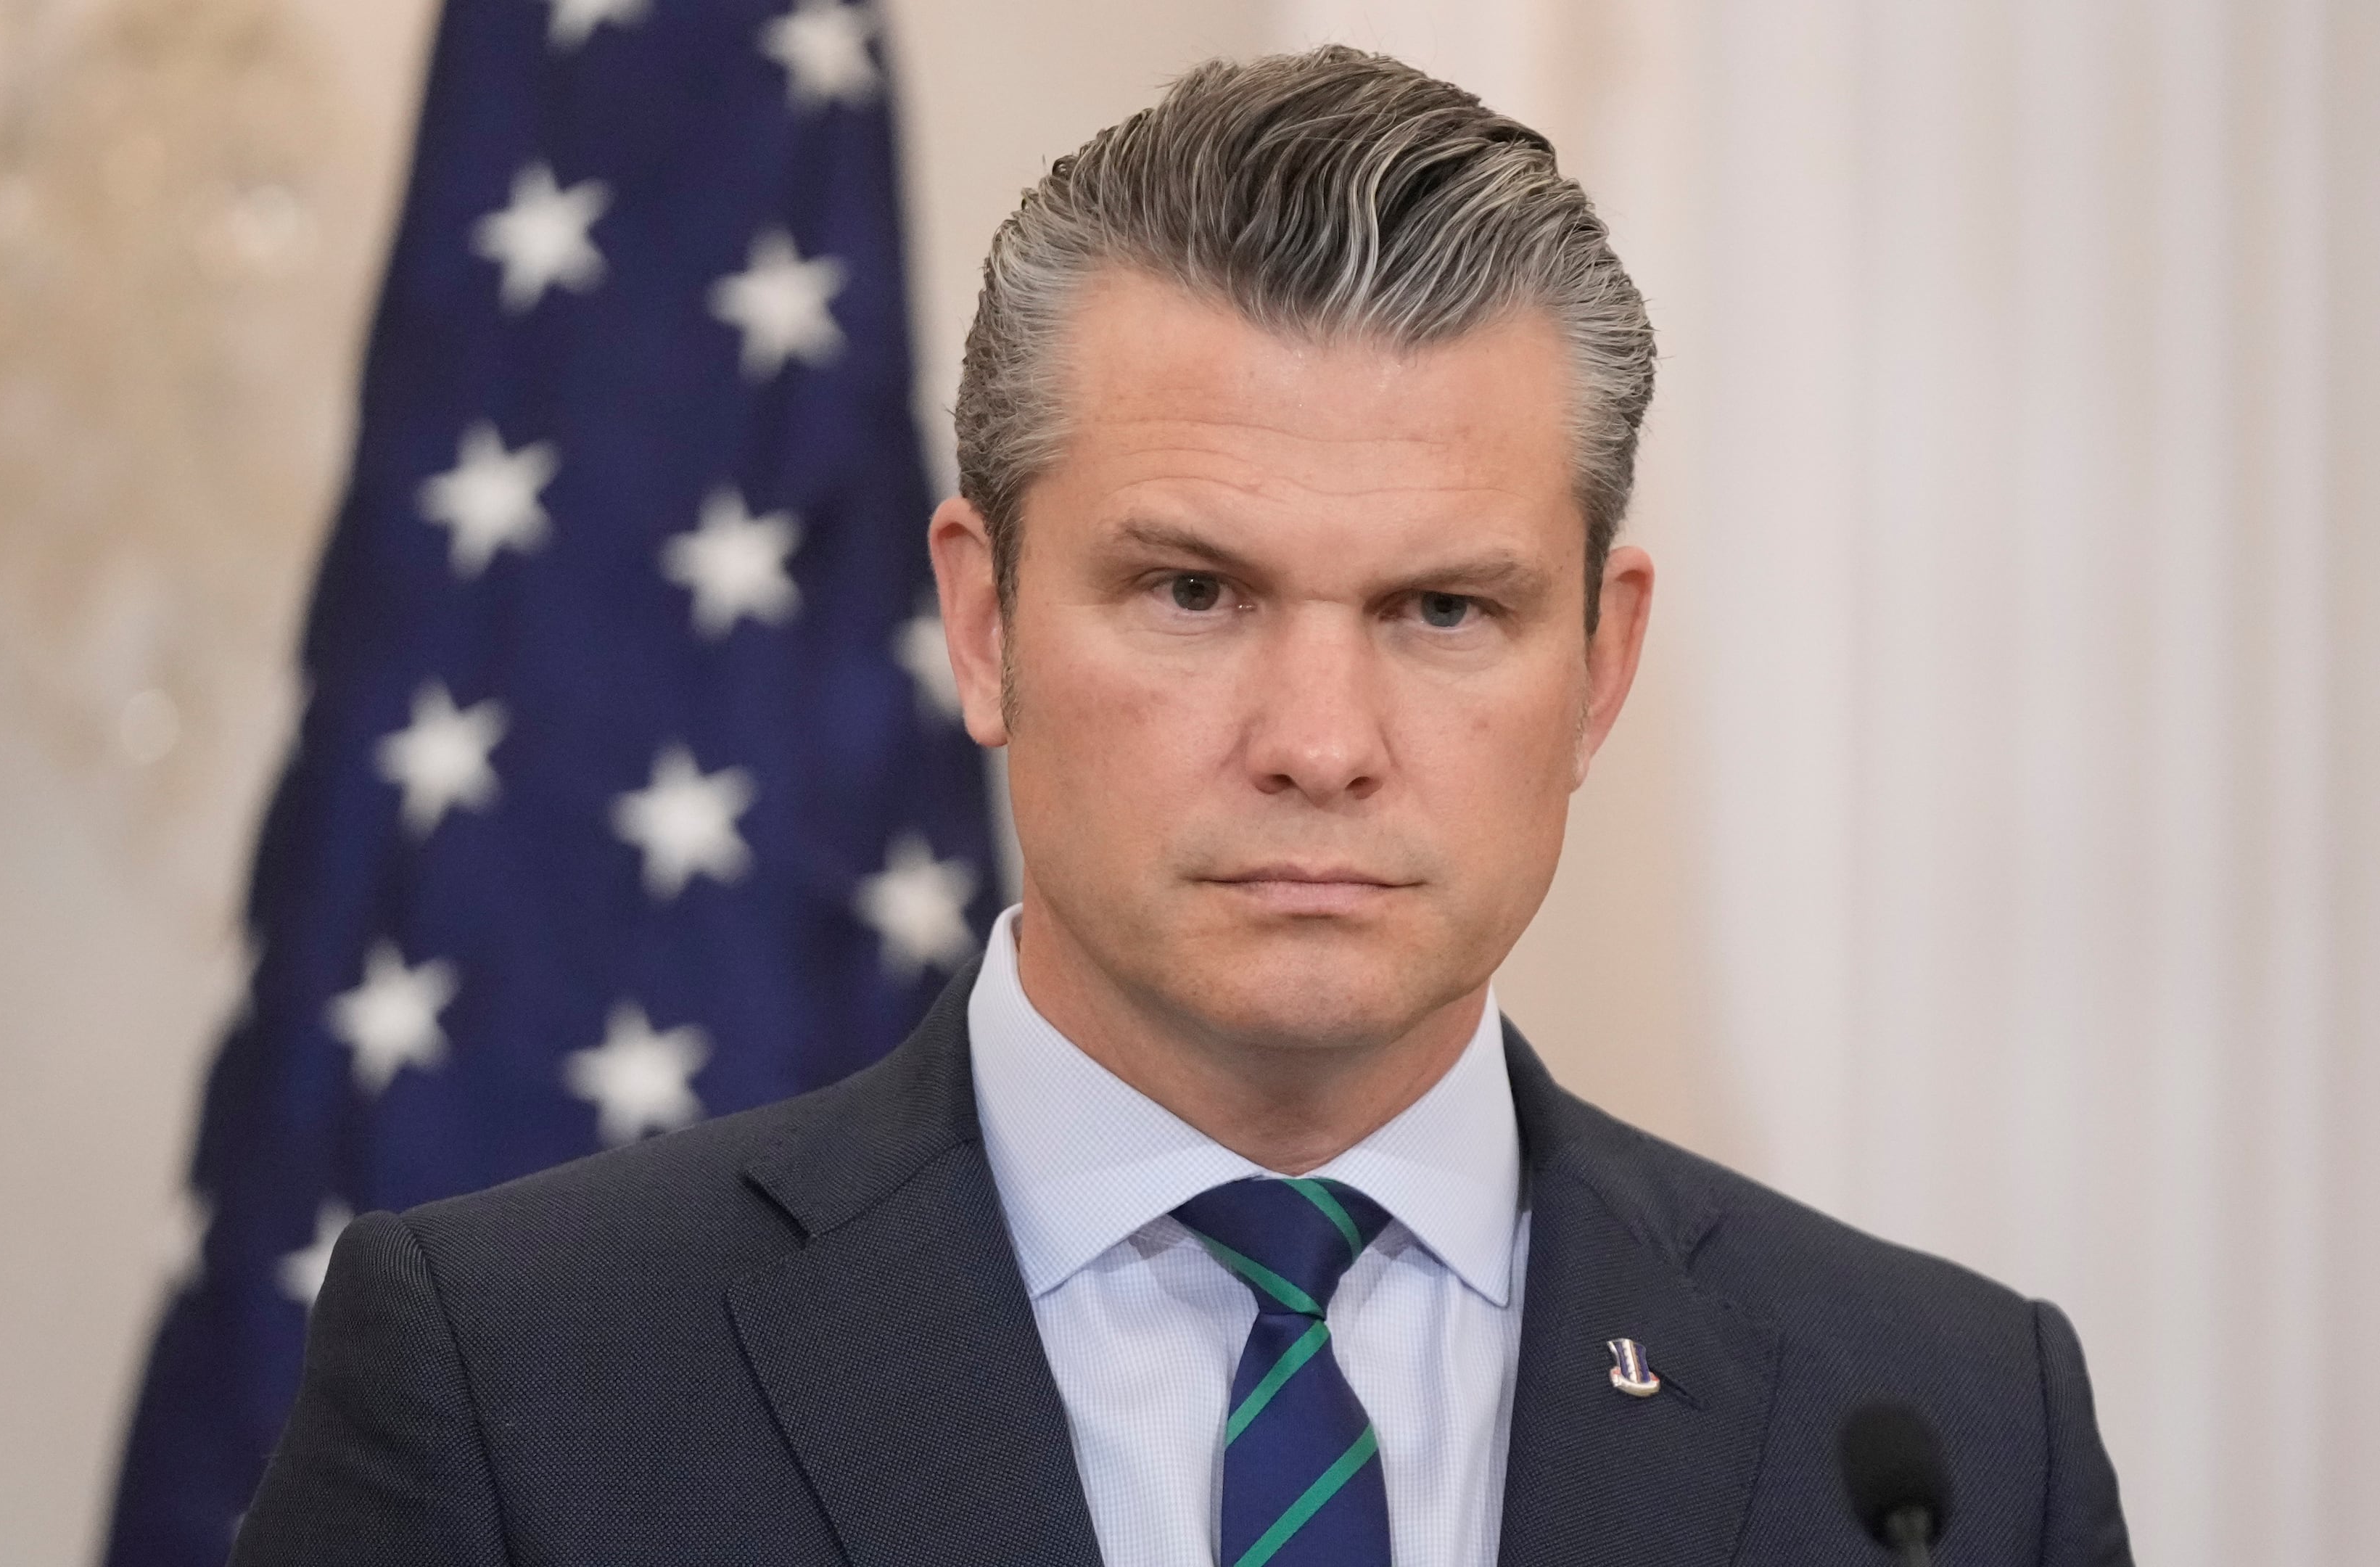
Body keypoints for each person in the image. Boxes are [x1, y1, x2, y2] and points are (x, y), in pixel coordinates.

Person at [234, 46, 2134, 1567]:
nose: (1321, 739)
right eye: (1194, 593)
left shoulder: (1944, 1438)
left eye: (1445, 609)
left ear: (1599, 671)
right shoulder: (527, 1382)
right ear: (982, 624)